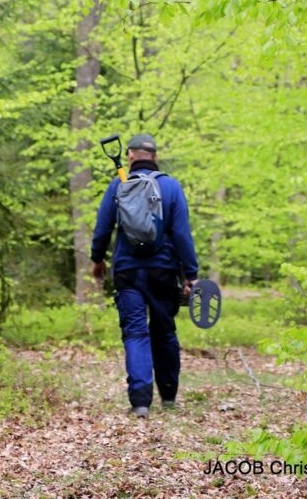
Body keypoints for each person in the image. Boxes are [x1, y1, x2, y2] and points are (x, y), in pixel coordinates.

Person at [90, 133, 198, 419]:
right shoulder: (171, 187)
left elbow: (102, 229)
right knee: (164, 331)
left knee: (135, 333)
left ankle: (140, 402)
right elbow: (182, 234)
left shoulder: (118, 185)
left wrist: (97, 259)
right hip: (163, 271)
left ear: (130, 156)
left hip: (127, 271)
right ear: (155, 156)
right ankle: (169, 396)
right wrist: (192, 274)